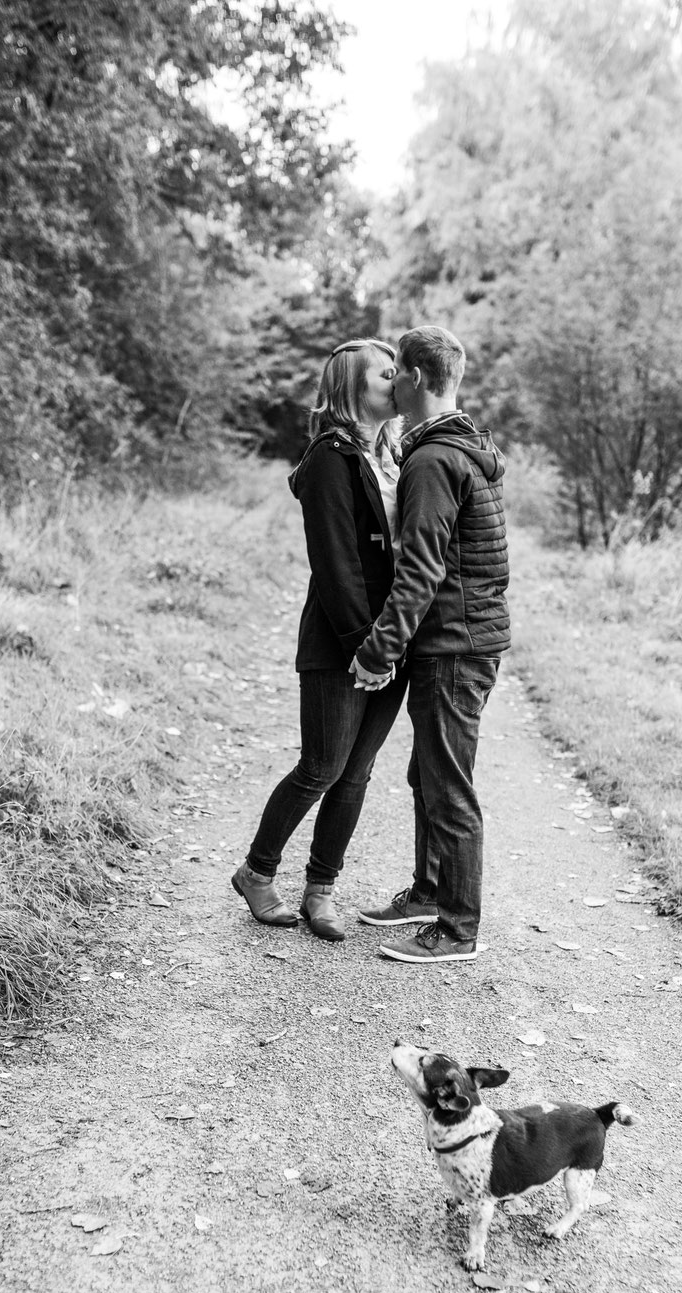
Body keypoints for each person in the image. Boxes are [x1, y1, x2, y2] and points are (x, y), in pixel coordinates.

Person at [232, 338, 406, 942]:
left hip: (392, 640)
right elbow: (335, 562)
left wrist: (392, 642)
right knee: (322, 765)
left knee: (356, 772)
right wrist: (365, 645)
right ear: (352, 386)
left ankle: (320, 888)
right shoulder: (331, 456)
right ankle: (257, 872)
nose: (399, 379)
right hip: (344, 642)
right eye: (386, 373)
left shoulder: (394, 453)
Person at [352, 325, 509, 964]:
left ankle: (457, 928)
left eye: (398, 373)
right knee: (428, 774)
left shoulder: (433, 460)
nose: (393, 382)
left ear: (416, 378)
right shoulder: (460, 447)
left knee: (448, 784)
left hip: (454, 642)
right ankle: (428, 891)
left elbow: (422, 569)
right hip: (463, 638)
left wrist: (379, 648)